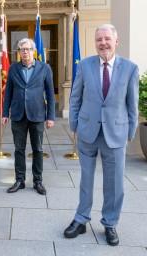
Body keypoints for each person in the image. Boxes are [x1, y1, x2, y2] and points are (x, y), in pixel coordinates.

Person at [63, 24, 139, 246]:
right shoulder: (84, 65)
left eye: (107, 38)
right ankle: (81, 219)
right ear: (95, 42)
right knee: (86, 180)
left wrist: (130, 131)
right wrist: (74, 125)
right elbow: (75, 97)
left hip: (115, 133)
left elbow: (132, 104)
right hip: (88, 132)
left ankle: (110, 223)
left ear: (116, 41)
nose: (103, 43)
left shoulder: (130, 68)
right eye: (99, 39)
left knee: (115, 184)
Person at [2, 38, 55, 195]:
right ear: (18, 52)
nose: (25, 52)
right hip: (18, 115)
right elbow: (9, 92)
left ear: (33, 51)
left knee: (37, 150)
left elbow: (51, 94)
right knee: (19, 149)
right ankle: (20, 180)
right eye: (21, 49)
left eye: (27, 49)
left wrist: (50, 116)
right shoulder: (13, 69)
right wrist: (5, 113)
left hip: (37, 115)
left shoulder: (44, 68)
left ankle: (38, 181)